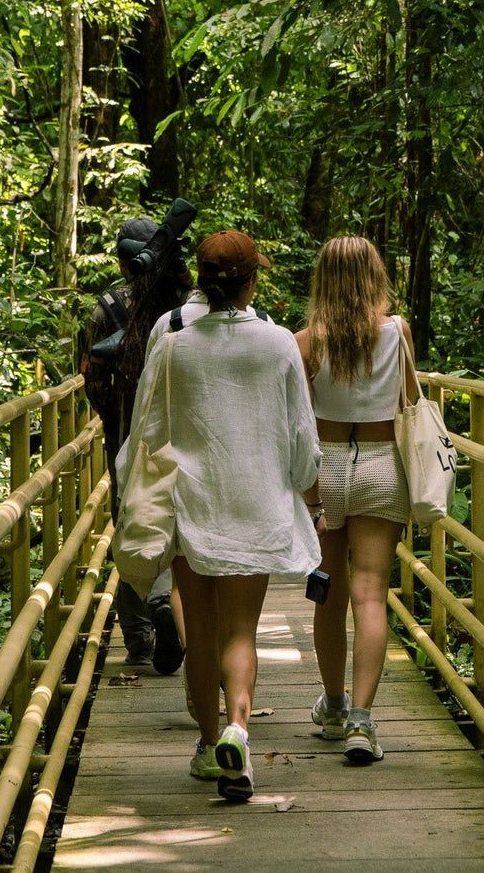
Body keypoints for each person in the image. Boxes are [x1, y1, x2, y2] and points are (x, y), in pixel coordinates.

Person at [119, 230, 323, 800]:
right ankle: (239, 730)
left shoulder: (173, 344)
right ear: (250, 282)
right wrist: (308, 489)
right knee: (241, 630)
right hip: (254, 505)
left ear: (204, 282)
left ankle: (210, 747)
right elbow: (302, 442)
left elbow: (146, 433)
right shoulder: (280, 343)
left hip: (191, 506)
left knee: (203, 628)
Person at [294, 236, 418, 763]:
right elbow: (410, 403)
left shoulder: (303, 343)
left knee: (328, 591)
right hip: (381, 464)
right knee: (371, 593)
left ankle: (335, 706)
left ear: (322, 279)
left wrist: (311, 496)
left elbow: (298, 425)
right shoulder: (398, 334)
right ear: (375, 277)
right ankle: (363, 723)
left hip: (325, 468)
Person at [78, 217, 190, 675]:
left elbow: (92, 379)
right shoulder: (187, 303)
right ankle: (179, 610)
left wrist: (116, 421)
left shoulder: (105, 309)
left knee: (133, 523)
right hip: (186, 435)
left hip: (129, 436)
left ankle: (140, 639)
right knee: (181, 526)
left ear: (125, 263)